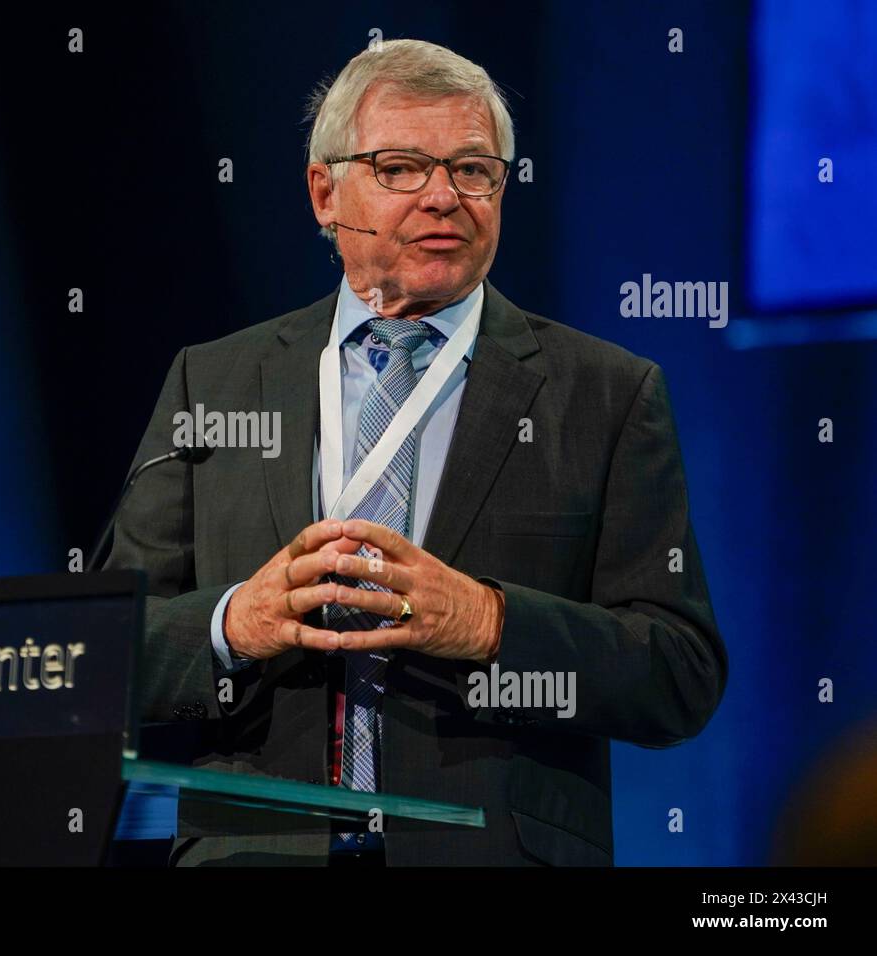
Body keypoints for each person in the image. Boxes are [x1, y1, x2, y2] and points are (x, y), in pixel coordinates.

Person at [106, 38, 726, 866]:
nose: (445, 197)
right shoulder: (213, 382)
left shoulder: (605, 395)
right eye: (401, 167)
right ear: (325, 192)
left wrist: (488, 622)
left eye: (474, 170)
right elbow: (102, 662)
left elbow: (679, 674)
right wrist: (234, 624)